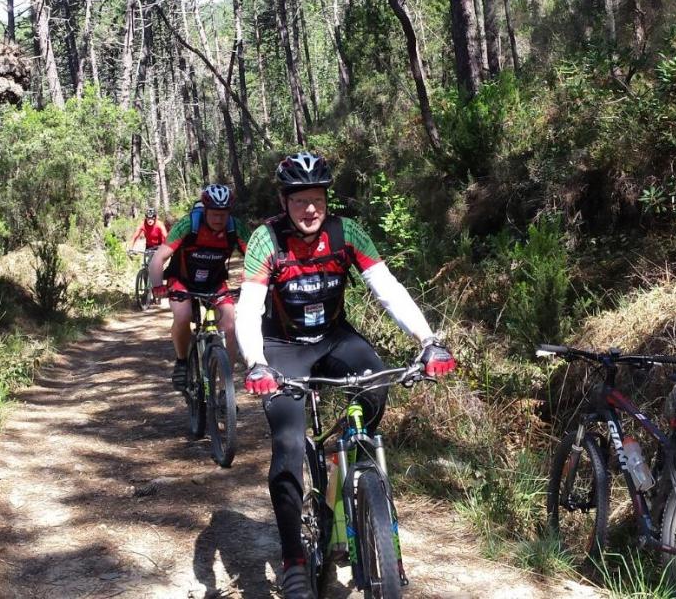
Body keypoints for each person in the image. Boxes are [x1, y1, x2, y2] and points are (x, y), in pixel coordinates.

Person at [235, 151, 456, 599]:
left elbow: (386, 287)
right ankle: (295, 558)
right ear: (285, 202)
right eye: (300, 201)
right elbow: (249, 308)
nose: (310, 209)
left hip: (336, 338)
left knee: (375, 384)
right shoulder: (266, 240)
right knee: (289, 444)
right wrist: (257, 363)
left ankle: (350, 466)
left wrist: (428, 339)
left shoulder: (345, 232)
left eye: (316, 199)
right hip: (282, 348)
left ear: (326, 200)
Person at [149, 185, 250, 388]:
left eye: (223, 214)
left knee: (230, 324)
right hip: (181, 280)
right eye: (214, 214)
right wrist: (158, 286)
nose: (218, 219)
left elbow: (256, 258)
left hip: (215, 282)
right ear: (205, 210)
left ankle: (225, 391)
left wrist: (255, 280)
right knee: (183, 315)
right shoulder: (189, 224)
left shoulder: (235, 227)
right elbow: (158, 258)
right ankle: (182, 361)